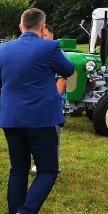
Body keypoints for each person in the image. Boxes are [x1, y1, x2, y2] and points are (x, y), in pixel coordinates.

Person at [0, 8, 74, 214]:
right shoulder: (50, 47)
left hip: (11, 117)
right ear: (43, 27)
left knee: (18, 168)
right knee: (48, 170)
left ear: (20, 25)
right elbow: (68, 70)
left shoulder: (1, 49)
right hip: (41, 118)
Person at [31, 24, 67, 175]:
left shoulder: (58, 53)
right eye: (41, 35)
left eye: (45, 35)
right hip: (37, 102)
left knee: (53, 136)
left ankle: (54, 166)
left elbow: (62, 80)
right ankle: (39, 164)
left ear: (51, 36)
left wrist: (53, 100)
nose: (42, 38)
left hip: (52, 103)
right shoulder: (37, 52)